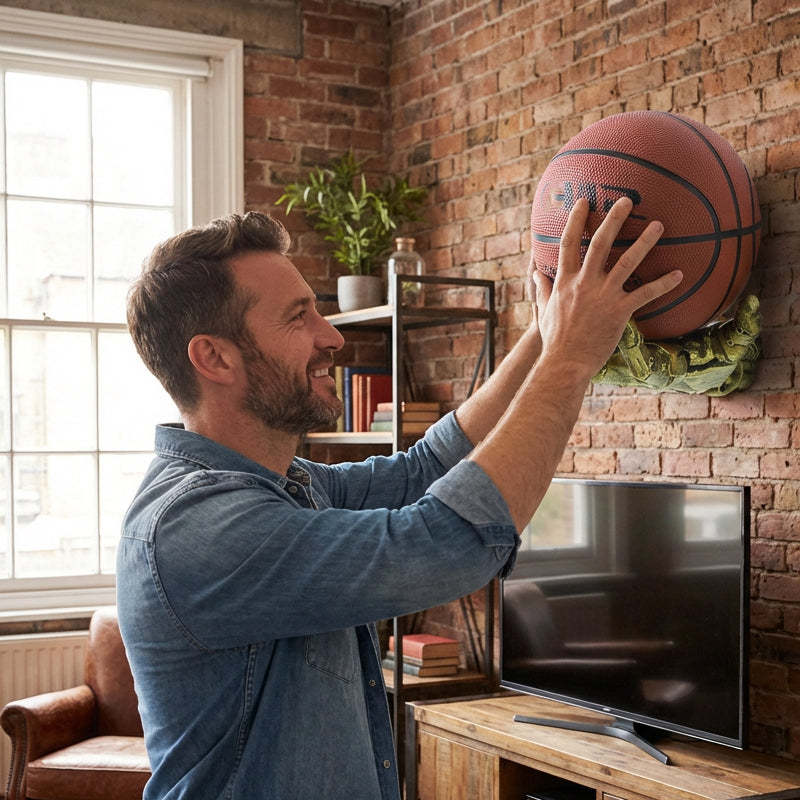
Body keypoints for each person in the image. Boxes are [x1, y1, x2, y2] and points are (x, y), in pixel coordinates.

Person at [118, 196, 681, 800]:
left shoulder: (287, 486)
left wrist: (546, 339)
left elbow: (423, 468)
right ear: (214, 357)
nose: (330, 336)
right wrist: (570, 361)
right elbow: (445, 544)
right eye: (297, 317)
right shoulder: (198, 527)